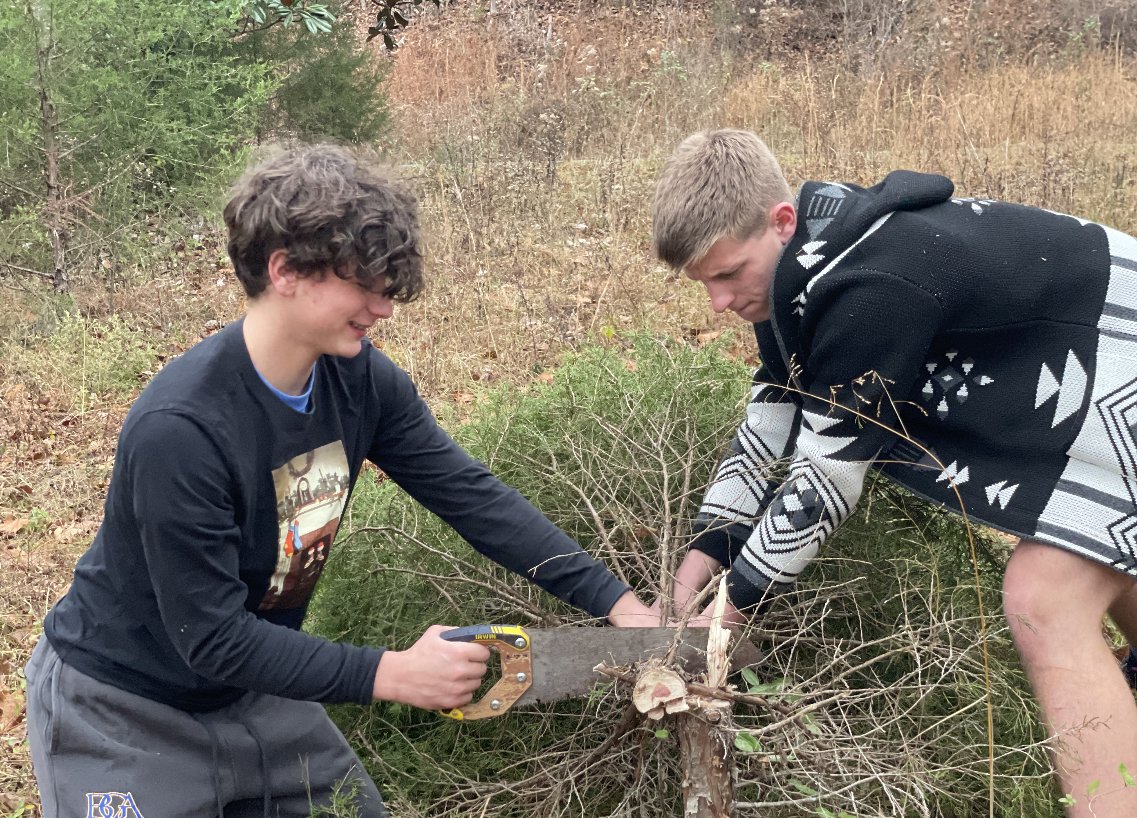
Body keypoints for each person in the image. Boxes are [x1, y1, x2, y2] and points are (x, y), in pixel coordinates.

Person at [24, 145, 654, 818]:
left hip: (255, 690)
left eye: (388, 287)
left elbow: (471, 497)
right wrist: (393, 673)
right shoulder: (181, 428)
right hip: (122, 710)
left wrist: (619, 607)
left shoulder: (359, 383)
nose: (382, 307)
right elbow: (210, 638)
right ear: (286, 270)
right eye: (364, 285)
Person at [651, 129, 1137, 816]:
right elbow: (777, 404)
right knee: (1097, 553)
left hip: (1120, 352)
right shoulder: (799, 275)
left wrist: (726, 616)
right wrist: (713, 542)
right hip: (1096, 376)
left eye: (728, 275)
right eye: (705, 284)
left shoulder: (867, 285)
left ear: (781, 222)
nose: (718, 304)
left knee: (1045, 598)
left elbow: (826, 480)